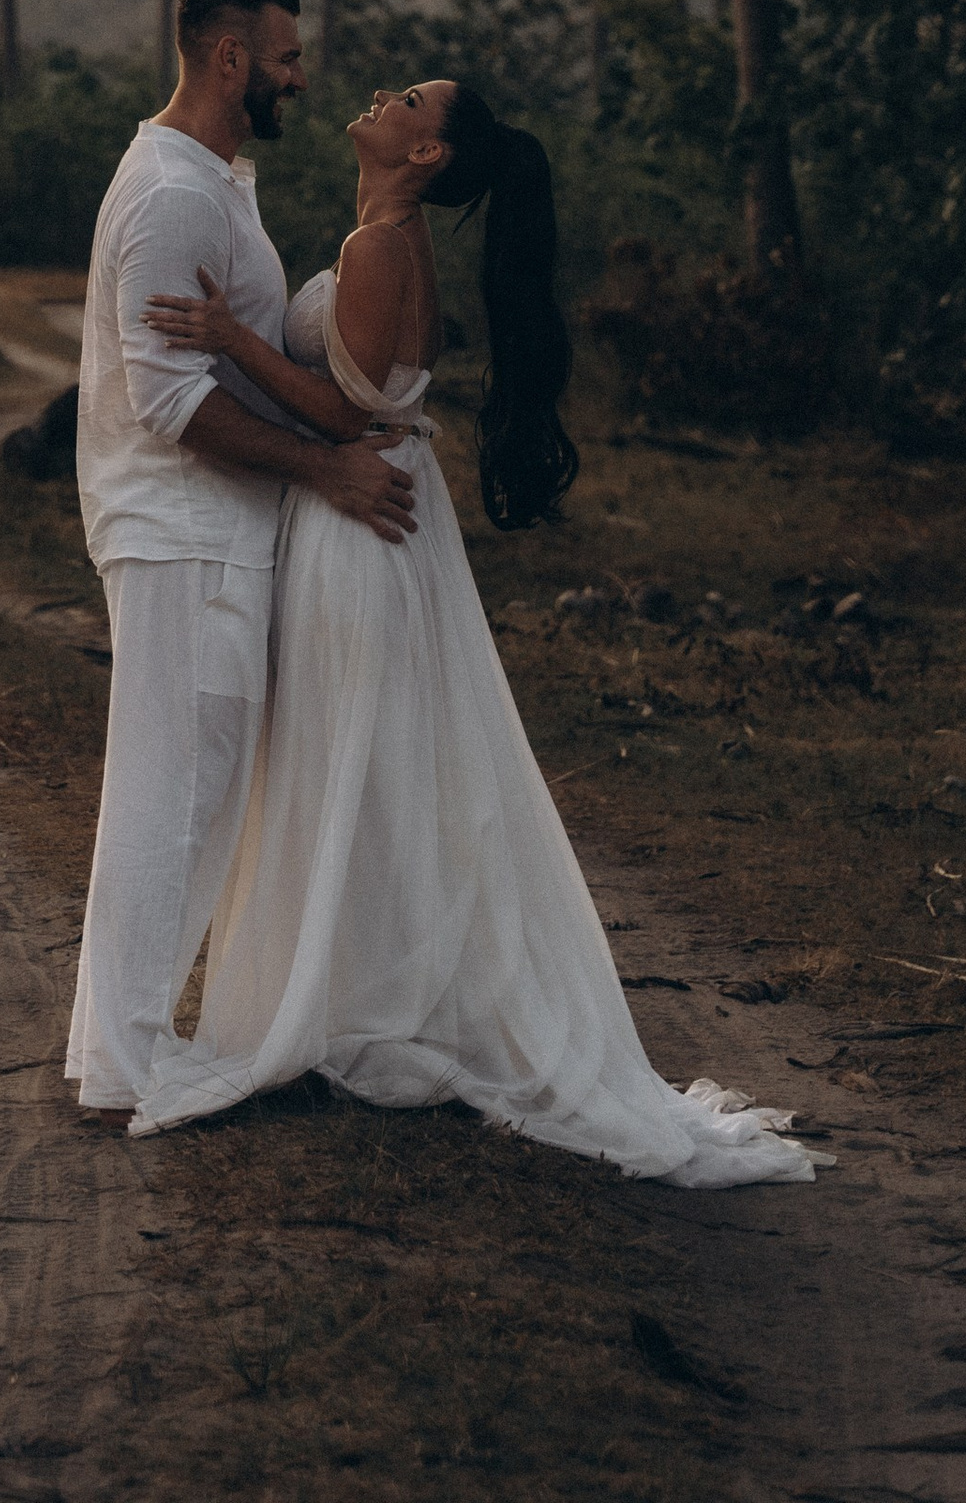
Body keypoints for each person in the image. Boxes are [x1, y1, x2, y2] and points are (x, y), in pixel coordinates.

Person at [125, 73, 816, 1188]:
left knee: (344, 756)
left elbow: (348, 408)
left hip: (359, 516)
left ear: (427, 154)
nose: (381, 96)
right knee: (362, 760)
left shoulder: (379, 248)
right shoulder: (382, 239)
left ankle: (346, 1005)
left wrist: (229, 340)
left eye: (408, 99)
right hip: (378, 507)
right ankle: (365, 996)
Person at [66, 0, 422, 1121]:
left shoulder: (207, 181)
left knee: (188, 796)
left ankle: (118, 1050)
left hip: (207, 534)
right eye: (284, 59)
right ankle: (125, 1066)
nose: (298, 79)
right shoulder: (174, 194)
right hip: (184, 535)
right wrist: (325, 467)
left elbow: (226, 364)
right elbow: (171, 401)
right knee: (174, 798)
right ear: (230, 59)